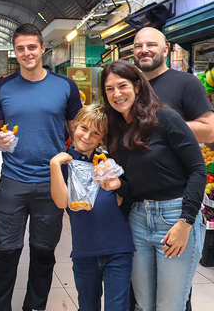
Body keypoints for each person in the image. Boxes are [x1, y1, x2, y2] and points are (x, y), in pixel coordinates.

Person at [0, 23, 82, 311]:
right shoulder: (2, 88)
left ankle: (35, 307)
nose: (26, 53)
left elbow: (79, 131)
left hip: (52, 183)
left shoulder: (65, 86)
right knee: (4, 251)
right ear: (14, 53)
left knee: (43, 253)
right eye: (20, 48)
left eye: (31, 47)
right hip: (12, 181)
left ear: (42, 48)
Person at [100, 60, 206, 311]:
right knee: (144, 305)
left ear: (137, 86)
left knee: (169, 306)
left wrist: (186, 221)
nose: (116, 94)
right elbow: (133, 186)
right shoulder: (115, 130)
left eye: (122, 85)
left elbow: (197, 170)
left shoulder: (165, 118)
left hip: (175, 218)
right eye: (109, 89)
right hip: (138, 219)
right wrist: (116, 184)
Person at [132, 26, 214, 311]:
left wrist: (165, 127)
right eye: (139, 45)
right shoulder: (131, 87)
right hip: (138, 208)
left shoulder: (185, 83)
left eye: (152, 45)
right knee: (143, 301)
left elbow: (209, 130)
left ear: (166, 49)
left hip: (176, 204)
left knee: (174, 302)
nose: (145, 50)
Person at [49, 104, 135, 311]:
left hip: (118, 250)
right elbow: (62, 202)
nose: (87, 136)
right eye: (84, 129)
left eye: (96, 133)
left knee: (118, 307)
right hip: (84, 252)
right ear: (74, 127)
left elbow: (121, 199)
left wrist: (113, 180)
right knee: (87, 306)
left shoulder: (108, 164)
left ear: (102, 139)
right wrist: (54, 165)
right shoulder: (63, 164)